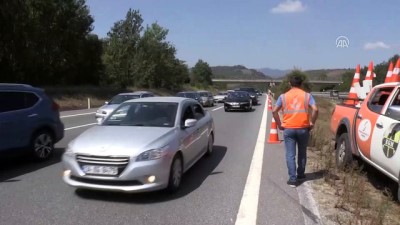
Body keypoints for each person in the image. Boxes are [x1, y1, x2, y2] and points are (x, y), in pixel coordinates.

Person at [272, 75, 318, 187]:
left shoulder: (283, 97)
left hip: (288, 128)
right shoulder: (307, 96)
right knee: (302, 153)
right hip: (303, 129)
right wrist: (312, 122)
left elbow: (274, 111)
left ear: (289, 84)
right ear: (301, 84)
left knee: (290, 154)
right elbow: (316, 109)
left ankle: (293, 180)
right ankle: (301, 175)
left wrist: (279, 124)